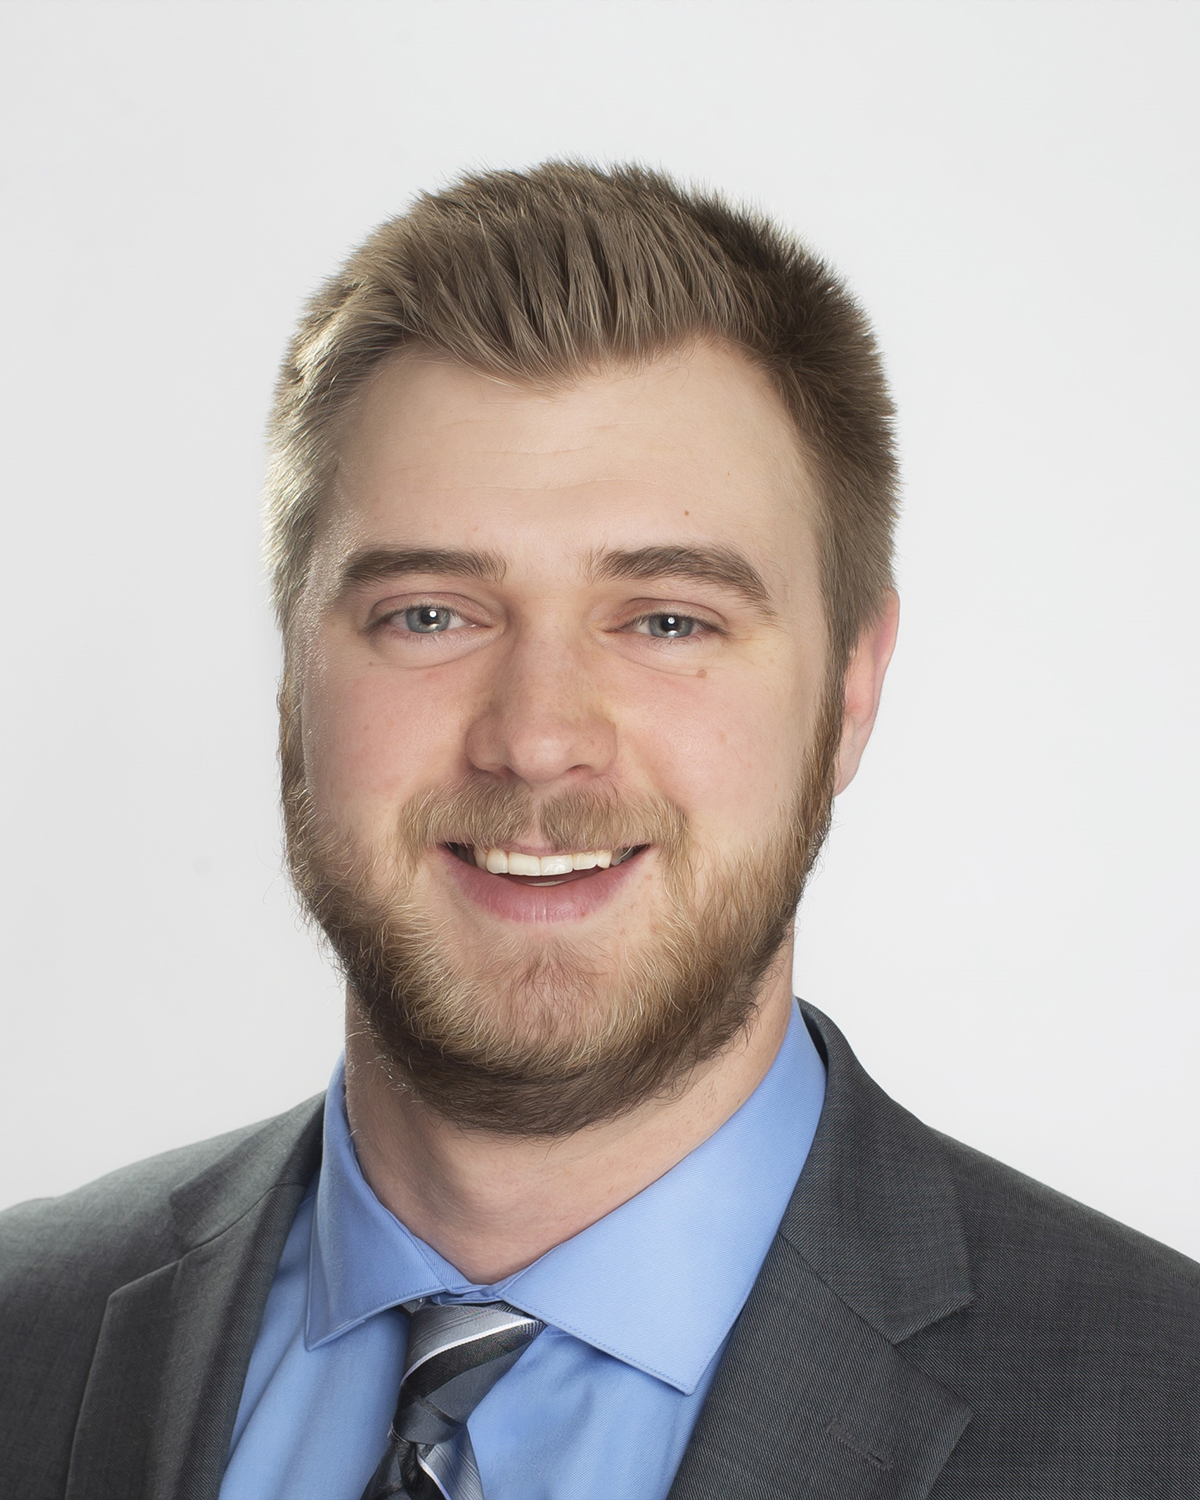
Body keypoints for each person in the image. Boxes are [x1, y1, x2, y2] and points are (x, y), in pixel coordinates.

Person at [1, 161, 1197, 1500]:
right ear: (293, 678)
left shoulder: (1169, 1418)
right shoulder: (25, 1331)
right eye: (429, 615)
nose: (536, 736)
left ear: (851, 691)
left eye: (669, 620)